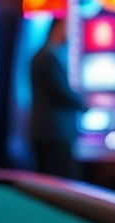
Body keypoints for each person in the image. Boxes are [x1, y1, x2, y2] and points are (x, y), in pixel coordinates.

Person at [29, 18, 86, 179]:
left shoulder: (46, 55)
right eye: (65, 29)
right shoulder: (46, 57)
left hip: (48, 131)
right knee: (58, 183)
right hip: (52, 132)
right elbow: (61, 92)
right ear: (56, 29)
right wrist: (86, 103)